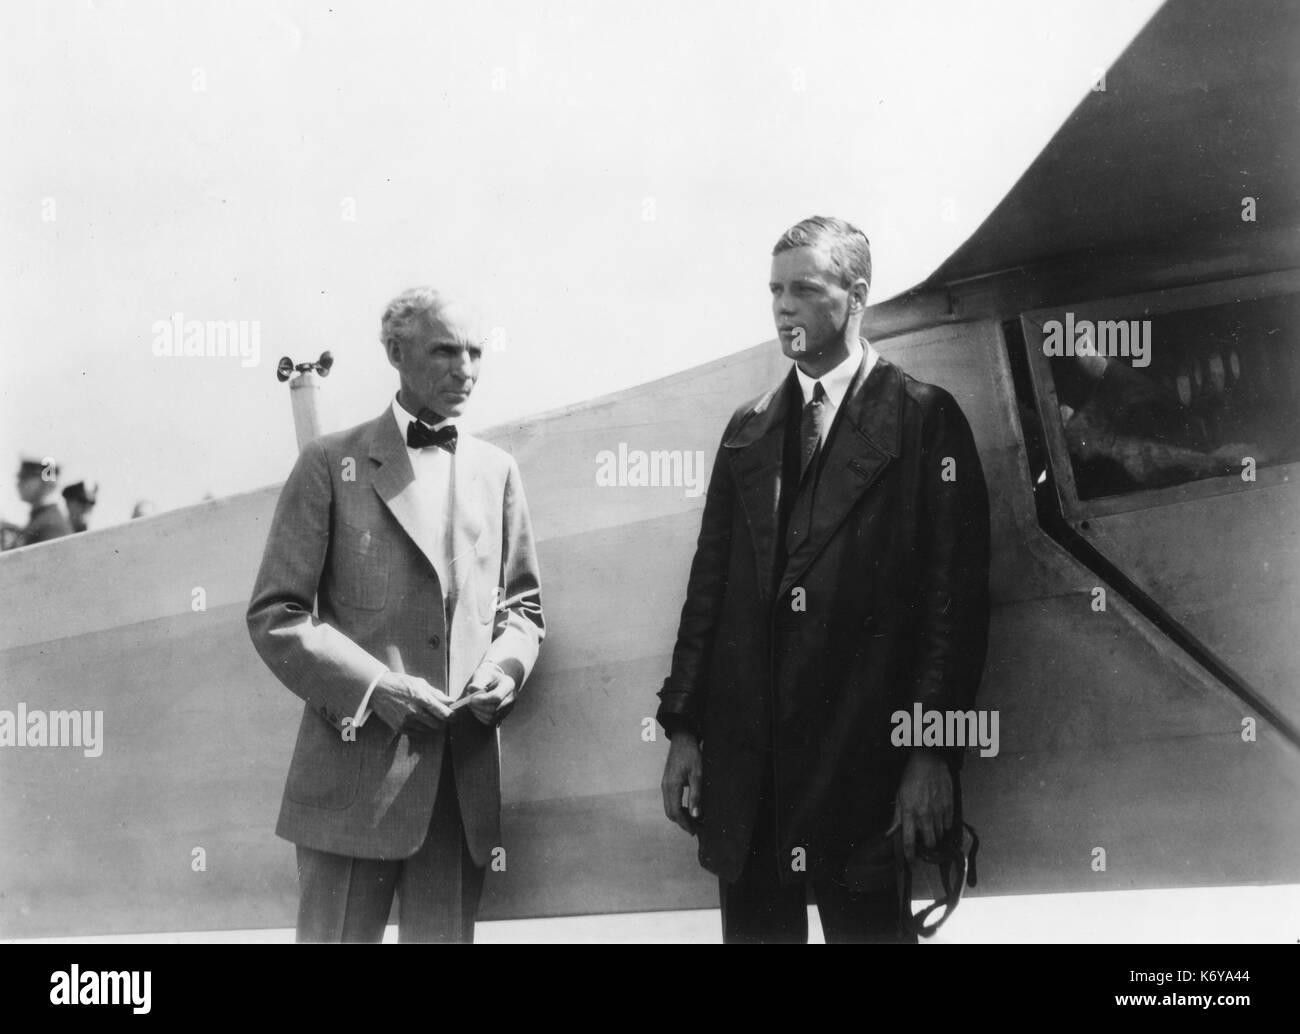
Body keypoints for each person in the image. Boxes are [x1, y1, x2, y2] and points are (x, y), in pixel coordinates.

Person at [656, 216, 991, 943]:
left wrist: (931, 754)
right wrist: (683, 729)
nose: (783, 307)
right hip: (750, 767)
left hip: (863, 762)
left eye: (804, 290)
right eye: (775, 290)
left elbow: (952, 607)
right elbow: (707, 592)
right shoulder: (748, 428)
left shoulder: (923, 419)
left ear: (856, 295)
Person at [247, 286, 545, 943]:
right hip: (351, 786)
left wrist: (505, 669)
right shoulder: (329, 464)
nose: (464, 367)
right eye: (444, 351)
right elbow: (276, 613)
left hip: (456, 790)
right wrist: (377, 689)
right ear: (395, 353)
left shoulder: (497, 471)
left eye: (475, 352)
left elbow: (522, 608)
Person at [2, 457, 73, 549]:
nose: (18, 483)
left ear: (46, 483)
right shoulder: (43, 518)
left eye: (25, 477)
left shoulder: (51, 525)